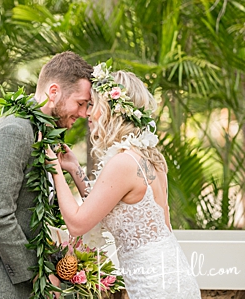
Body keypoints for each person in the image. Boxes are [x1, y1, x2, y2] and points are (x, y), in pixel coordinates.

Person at [0, 51, 93, 298]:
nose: (84, 113)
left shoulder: (40, 131)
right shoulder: (14, 130)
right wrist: (39, 274)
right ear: (53, 92)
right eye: (80, 103)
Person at [47, 64, 200, 298]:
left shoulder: (123, 163)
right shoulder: (148, 156)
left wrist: (54, 167)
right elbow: (104, 205)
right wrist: (75, 169)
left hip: (156, 286)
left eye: (93, 105)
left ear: (110, 109)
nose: (87, 113)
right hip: (172, 275)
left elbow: (77, 223)